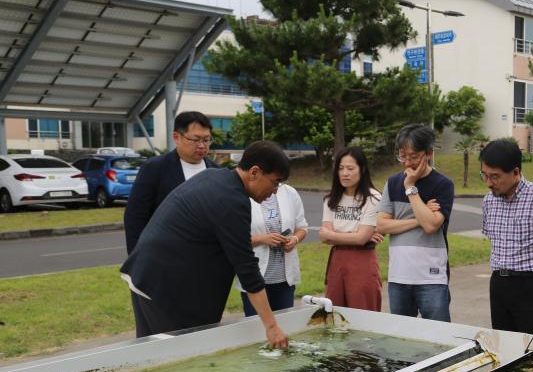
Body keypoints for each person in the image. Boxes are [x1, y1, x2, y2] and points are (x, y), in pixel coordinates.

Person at [120, 140, 290, 348]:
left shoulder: (216, 177)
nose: (274, 191)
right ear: (254, 172)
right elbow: (247, 269)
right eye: (275, 182)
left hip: (148, 276)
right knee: (173, 360)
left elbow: (230, 242)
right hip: (164, 288)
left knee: (154, 357)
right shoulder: (232, 200)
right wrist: (271, 326)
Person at [480, 139, 533, 337]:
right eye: (484, 175)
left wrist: (531, 269)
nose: (488, 183)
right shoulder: (488, 201)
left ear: (516, 172)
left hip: (532, 286)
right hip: (499, 284)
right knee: (503, 345)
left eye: (495, 177)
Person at [377, 124, 454, 321]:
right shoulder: (393, 183)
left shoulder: (443, 184)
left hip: (432, 278)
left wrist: (410, 188)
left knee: (438, 337)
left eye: (413, 156)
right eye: (403, 156)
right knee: (402, 340)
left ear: (428, 153)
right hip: (398, 276)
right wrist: (419, 218)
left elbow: (431, 226)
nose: (408, 163)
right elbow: (382, 226)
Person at [123, 111, 219, 254]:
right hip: (165, 257)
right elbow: (135, 216)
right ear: (177, 137)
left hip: (209, 257)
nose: (201, 145)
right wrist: (137, 260)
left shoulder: (217, 172)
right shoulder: (154, 169)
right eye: (195, 139)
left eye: (206, 140)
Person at [319, 147, 383, 311]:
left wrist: (338, 235)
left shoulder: (373, 197)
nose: (344, 173)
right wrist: (357, 235)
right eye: (340, 168)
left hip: (362, 262)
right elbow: (324, 237)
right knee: (335, 315)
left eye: (350, 168)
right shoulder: (330, 199)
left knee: (364, 315)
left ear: (362, 169)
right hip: (337, 261)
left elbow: (360, 239)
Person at [237, 175, 308, 316]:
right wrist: (263, 239)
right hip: (255, 278)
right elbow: (234, 238)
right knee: (257, 329)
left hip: (284, 280)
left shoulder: (289, 192)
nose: (276, 188)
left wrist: (294, 239)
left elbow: (302, 227)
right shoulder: (243, 194)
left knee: (283, 327)